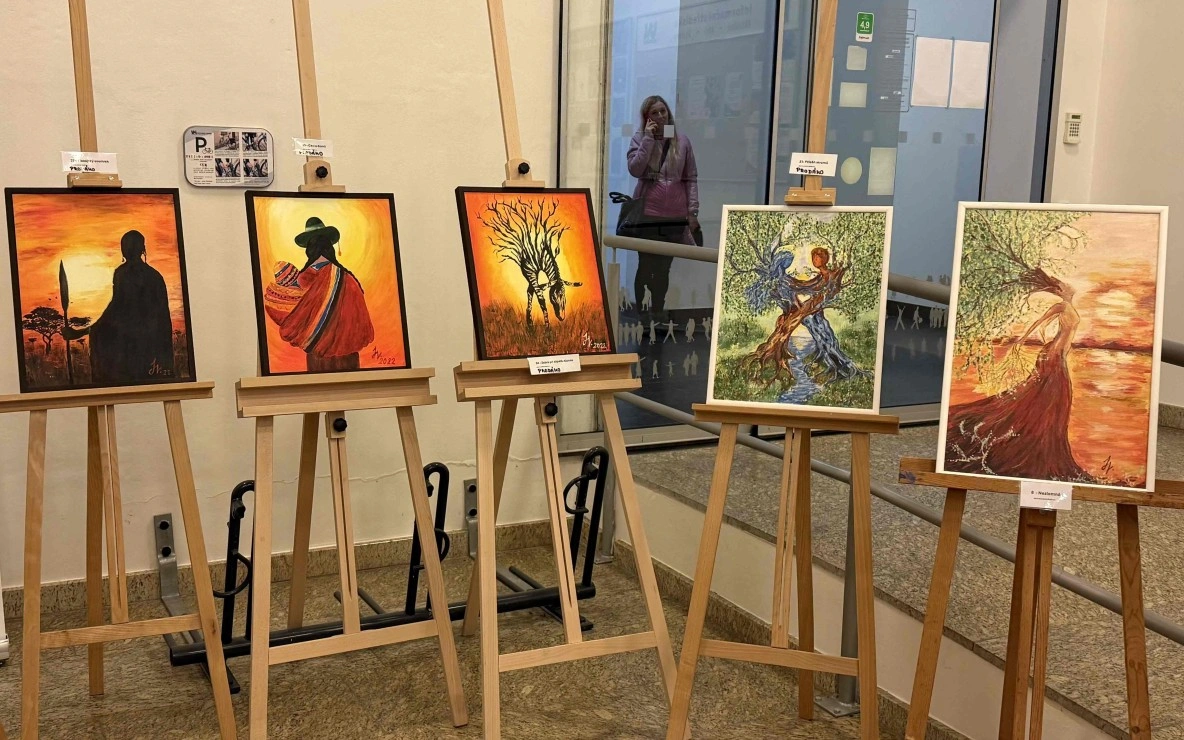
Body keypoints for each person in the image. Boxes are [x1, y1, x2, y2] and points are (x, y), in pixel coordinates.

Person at [262, 216, 374, 372]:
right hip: (350, 359)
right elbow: (362, 326)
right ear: (330, 249)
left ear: (309, 250)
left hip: (318, 359)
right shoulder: (349, 279)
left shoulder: (302, 279)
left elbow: (288, 315)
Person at [63, 230, 175, 383]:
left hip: (139, 340)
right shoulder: (152, 275)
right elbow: (117, 308)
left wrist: (83, 331)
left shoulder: (125, 274)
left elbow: (116, 309)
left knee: (105, 341)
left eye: (130, 246)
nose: (127, 249)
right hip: (145, 340)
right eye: (125, 246)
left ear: (141, 249)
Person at [626, 95, 700, 316]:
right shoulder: (639, 138)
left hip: (674, 216)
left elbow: (691, 178)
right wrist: (649, 139)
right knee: (645, 265)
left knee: (663, 268)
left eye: (663, 111)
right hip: (648, 214)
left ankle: (657, 312)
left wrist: (692, 211)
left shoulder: (682, 141)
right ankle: (642, 314)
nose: (660, 116)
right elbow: (635, 169)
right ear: (646, 117)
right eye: (654, 113)